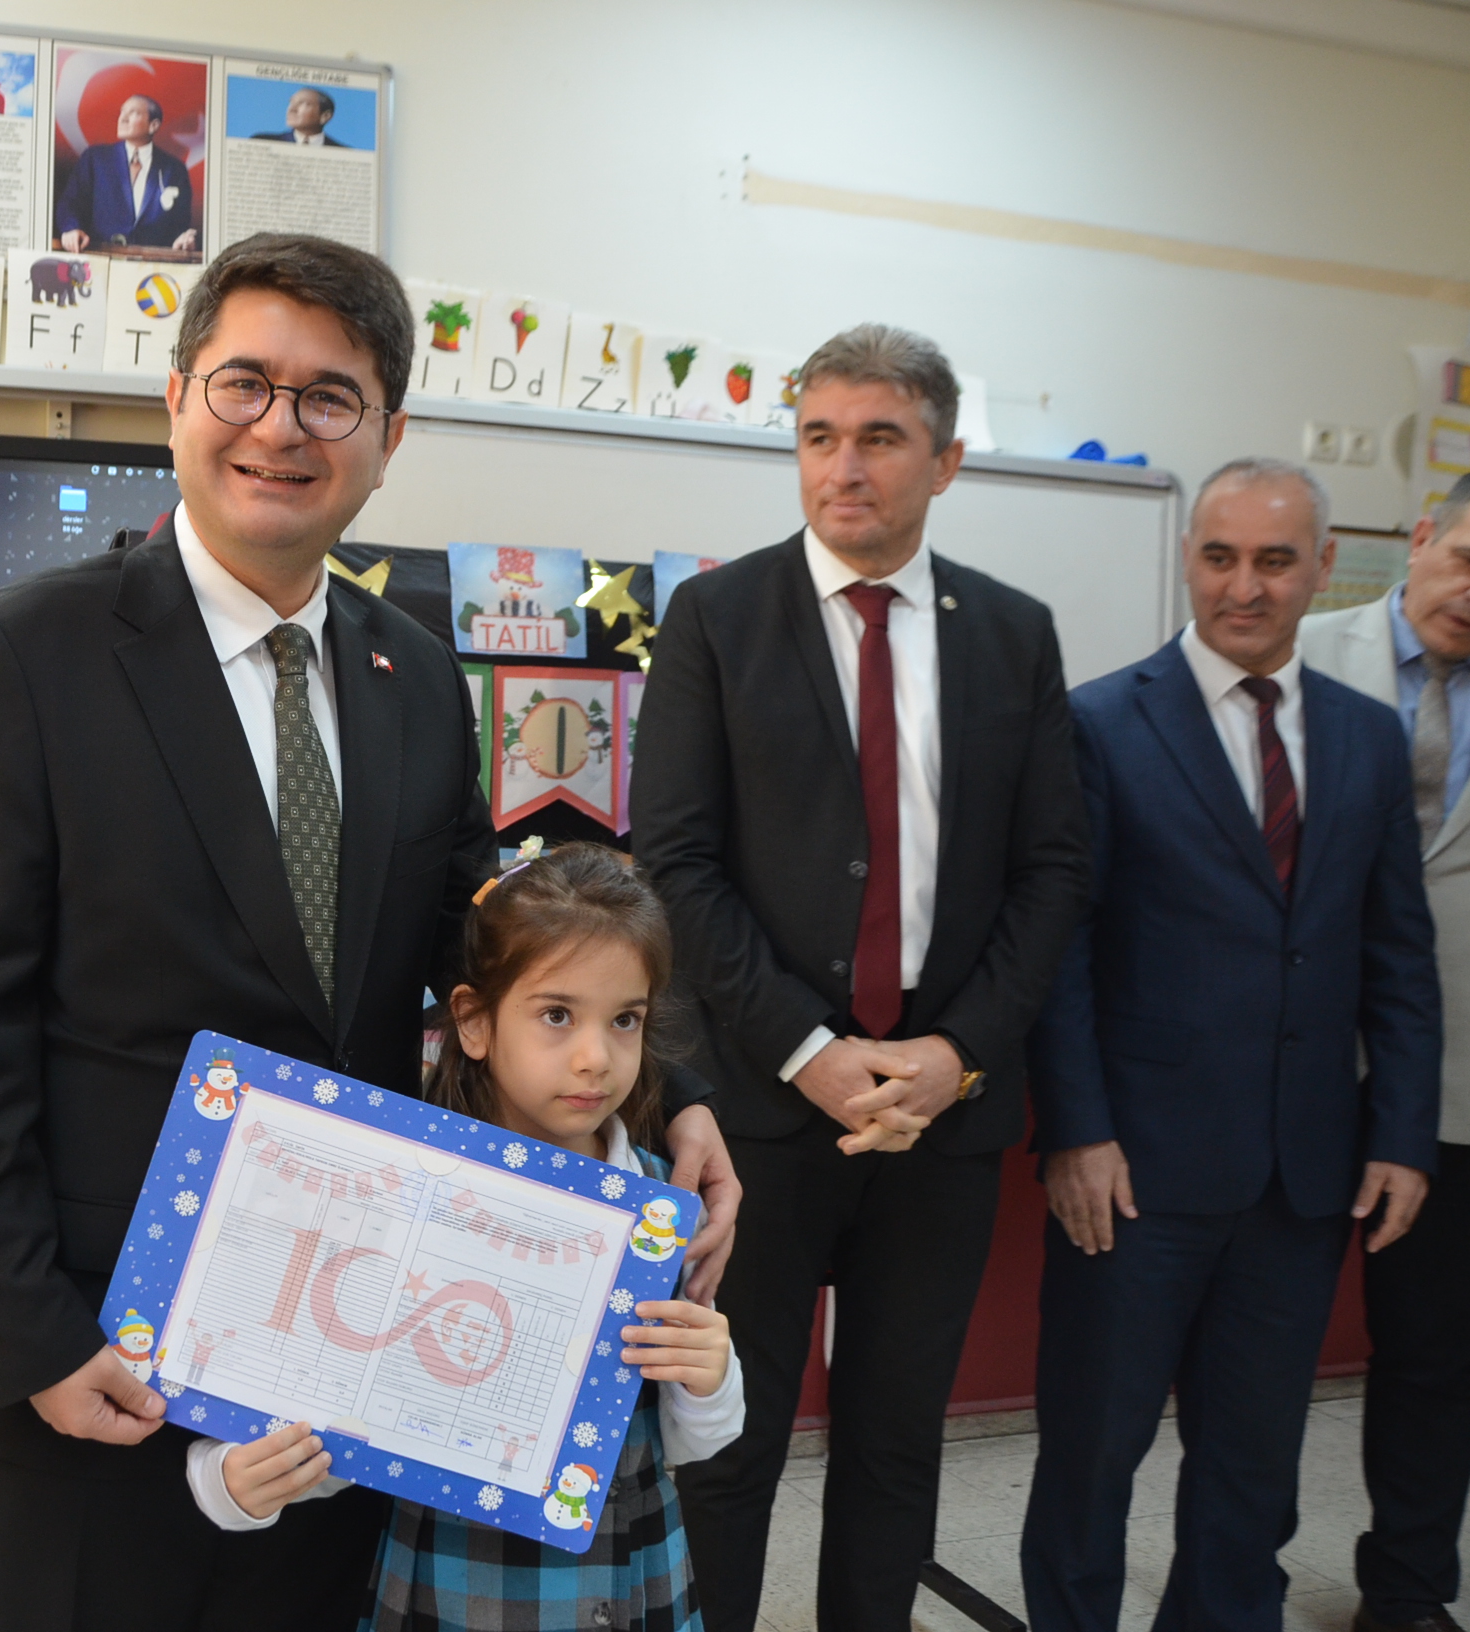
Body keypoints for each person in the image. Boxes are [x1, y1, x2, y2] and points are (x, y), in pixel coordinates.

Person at [0, 232, 744, 1632]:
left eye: (330, 398)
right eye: (244, 383)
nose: (280, 427)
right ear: (177, 399)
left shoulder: (414, 674)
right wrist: (30, 1335)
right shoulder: (25, 655)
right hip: (94, 1345)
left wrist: (680, 1090)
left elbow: (492, 936)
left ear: (387, 439)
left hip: (335, 1350)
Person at [632, 322, 1091, 1632]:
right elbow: (675, 864)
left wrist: (956, 1056)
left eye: (880, 438)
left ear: (944, 461)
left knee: (896, 1448)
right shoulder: (718, 618)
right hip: (760, 1116)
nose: (844, 467)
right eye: (819, 436)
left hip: (941, 1123)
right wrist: (809, 1052)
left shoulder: (1012, 633)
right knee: (729, 1442)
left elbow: (1053, 871)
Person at [1022, 457, 1442, 1632]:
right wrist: (1076, 1133)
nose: (1242, 586)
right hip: (1132, 1174)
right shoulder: (1101, 723)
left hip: (1302, 1176)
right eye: (1218, 557)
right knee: (1091, 1457)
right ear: (1188, 560)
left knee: (1253, 1470)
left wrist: (1401, 1133)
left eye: (1271, 560)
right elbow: (1060, 953)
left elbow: (1397, 953)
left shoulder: (1365, 737)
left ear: (1322, 568)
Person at [187, 842, 745, 1632]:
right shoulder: (404, 1200)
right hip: (454, 1591)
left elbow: (693, 1441)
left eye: (625, 1019)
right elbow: (335, 1421)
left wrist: (710, 1377)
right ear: (475, 1022)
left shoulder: (657, 1209)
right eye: (557, 1015)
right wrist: (231, 1484)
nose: (596, 1057)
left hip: (629, 1578)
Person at [1297, 466, 1470, 1632]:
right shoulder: (1297, 655)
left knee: (1434, 1357)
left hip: (1458, 1082)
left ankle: (1406, 1592)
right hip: (1291, 1070)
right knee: (1253, 1351)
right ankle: (1229, 1572)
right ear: (1420, 539)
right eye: (1468, 560)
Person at [56, 93, 199, 255]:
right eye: (122, 112)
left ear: (153, 125)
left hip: (152, 263)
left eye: (133, 113)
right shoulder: (95, 159)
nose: (123, 118)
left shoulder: (174, 169)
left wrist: (183, 239)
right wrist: (71, 229)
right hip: (101, 257)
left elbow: (180, 224)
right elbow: (70, 203)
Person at [251, 85, 357, 148]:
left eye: (303, 104)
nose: (292, 109)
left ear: (325, 116)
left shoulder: (343, 153)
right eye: (291, 102)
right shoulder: (262, 142)